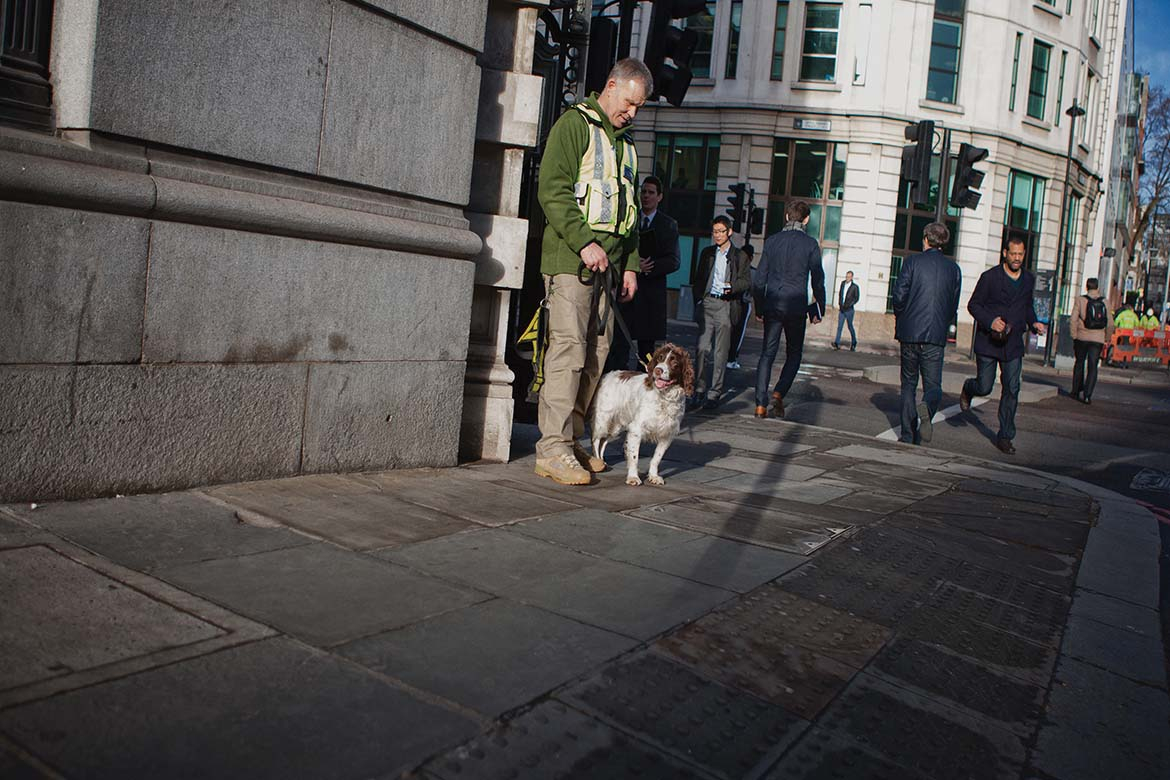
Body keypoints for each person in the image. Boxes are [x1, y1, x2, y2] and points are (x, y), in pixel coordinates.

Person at [533, 58, 651, 485]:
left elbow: (630, 214)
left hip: (609, 268)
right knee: (568, 351)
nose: (632, 113)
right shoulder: (574, 125)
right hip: (571, 263)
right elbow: (553, 189)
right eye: (629, 103)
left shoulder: (627, 144)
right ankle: (552, 447)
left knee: (595, 356)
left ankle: (572, 439)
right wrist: (584, 241)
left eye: (639, 107)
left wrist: (630, 266)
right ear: (611, 84)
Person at [959, 234, 1046, 455]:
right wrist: (990, 321)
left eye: (1020, 254)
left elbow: (1026, 306)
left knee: (1012, 389)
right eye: (1013, 254)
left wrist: (1033, 321)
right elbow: (974, 305)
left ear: (1024, 254)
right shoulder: (989, 277)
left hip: (1013, 344)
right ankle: (969, 388)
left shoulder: (1028, 279)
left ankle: (1005, 436)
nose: (1017, 258)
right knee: (985, 387)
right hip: (989, 342)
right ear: (1005, 254)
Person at [751, 200, 826, 419]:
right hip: (796, 306)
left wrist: (760, 307)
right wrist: (818, 308)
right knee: (794, 354)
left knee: (767, 354)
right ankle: (779, 392)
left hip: (773, 304)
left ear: (786, 217)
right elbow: (818, 280)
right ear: (806, 220)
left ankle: (760, 405)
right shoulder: (811, 244)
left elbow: (759, 281)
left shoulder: (772, 242)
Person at [891, 222, 962, 445]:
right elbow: (953, 305)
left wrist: (902, 317)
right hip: (935, 335)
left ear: (925, 239)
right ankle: (927, 408)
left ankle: (907, 435)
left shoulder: (912, 262)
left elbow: (899, 296)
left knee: (908, 384)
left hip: (910, 332)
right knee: (933, 386)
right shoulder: (954, 270)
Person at [606, 175, 680, 372]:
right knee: (620, 345)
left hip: (651, 296)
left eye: (651, 193)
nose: (646, 196)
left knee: (647, 352)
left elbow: (674, 261)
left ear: (659, 197)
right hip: (627, 293)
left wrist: (651, 266)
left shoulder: (669, 225)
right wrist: (633, 264)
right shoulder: (630, 218)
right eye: (643, 192)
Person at [691, 216, 752, 409]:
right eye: (715, 231)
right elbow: (698, 278)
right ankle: (698, 390)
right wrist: (699, 299)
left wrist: (731, 287)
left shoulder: (739, 256)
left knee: (720, 352)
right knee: (701, 348)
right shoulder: (707, 253)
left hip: (726, 305)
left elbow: (746, 282)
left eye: (721, 231)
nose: (717, 235)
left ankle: (714, 393)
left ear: (729, 232)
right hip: (708, 302)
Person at [1069, 277, 1113, 405]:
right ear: (1097, 287)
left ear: (1086, 287)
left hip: (1082, 337)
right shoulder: (1105, 302)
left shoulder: (1080, 300)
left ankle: (1076, 390)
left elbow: (1073, 319)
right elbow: (1110, 323)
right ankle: (1088, 395)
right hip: (1097, 339)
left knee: (1079, 363)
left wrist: (1074, 335)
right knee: (1093, 366)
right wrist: (1107, 338)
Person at [726, 244, 755, 370]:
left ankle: (727, 356)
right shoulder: (751, 271)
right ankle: (731, 358)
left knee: (729, 331)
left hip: (731, 302)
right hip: (742, 303)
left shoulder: (733, 267)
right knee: (738, 332)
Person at [832, 270, 860, 351]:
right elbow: (840, 294)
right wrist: (840, 303)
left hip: (849, 310)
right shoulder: (843, 284)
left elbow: (856, 298)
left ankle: (854, 342)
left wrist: (850, 304)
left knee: (850, 326)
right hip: (842, 309)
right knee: (839, 326)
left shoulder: (855, 287)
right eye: (846, 276)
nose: (847, 278)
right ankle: (837, 343)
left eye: (849, 277)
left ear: (851, 277)